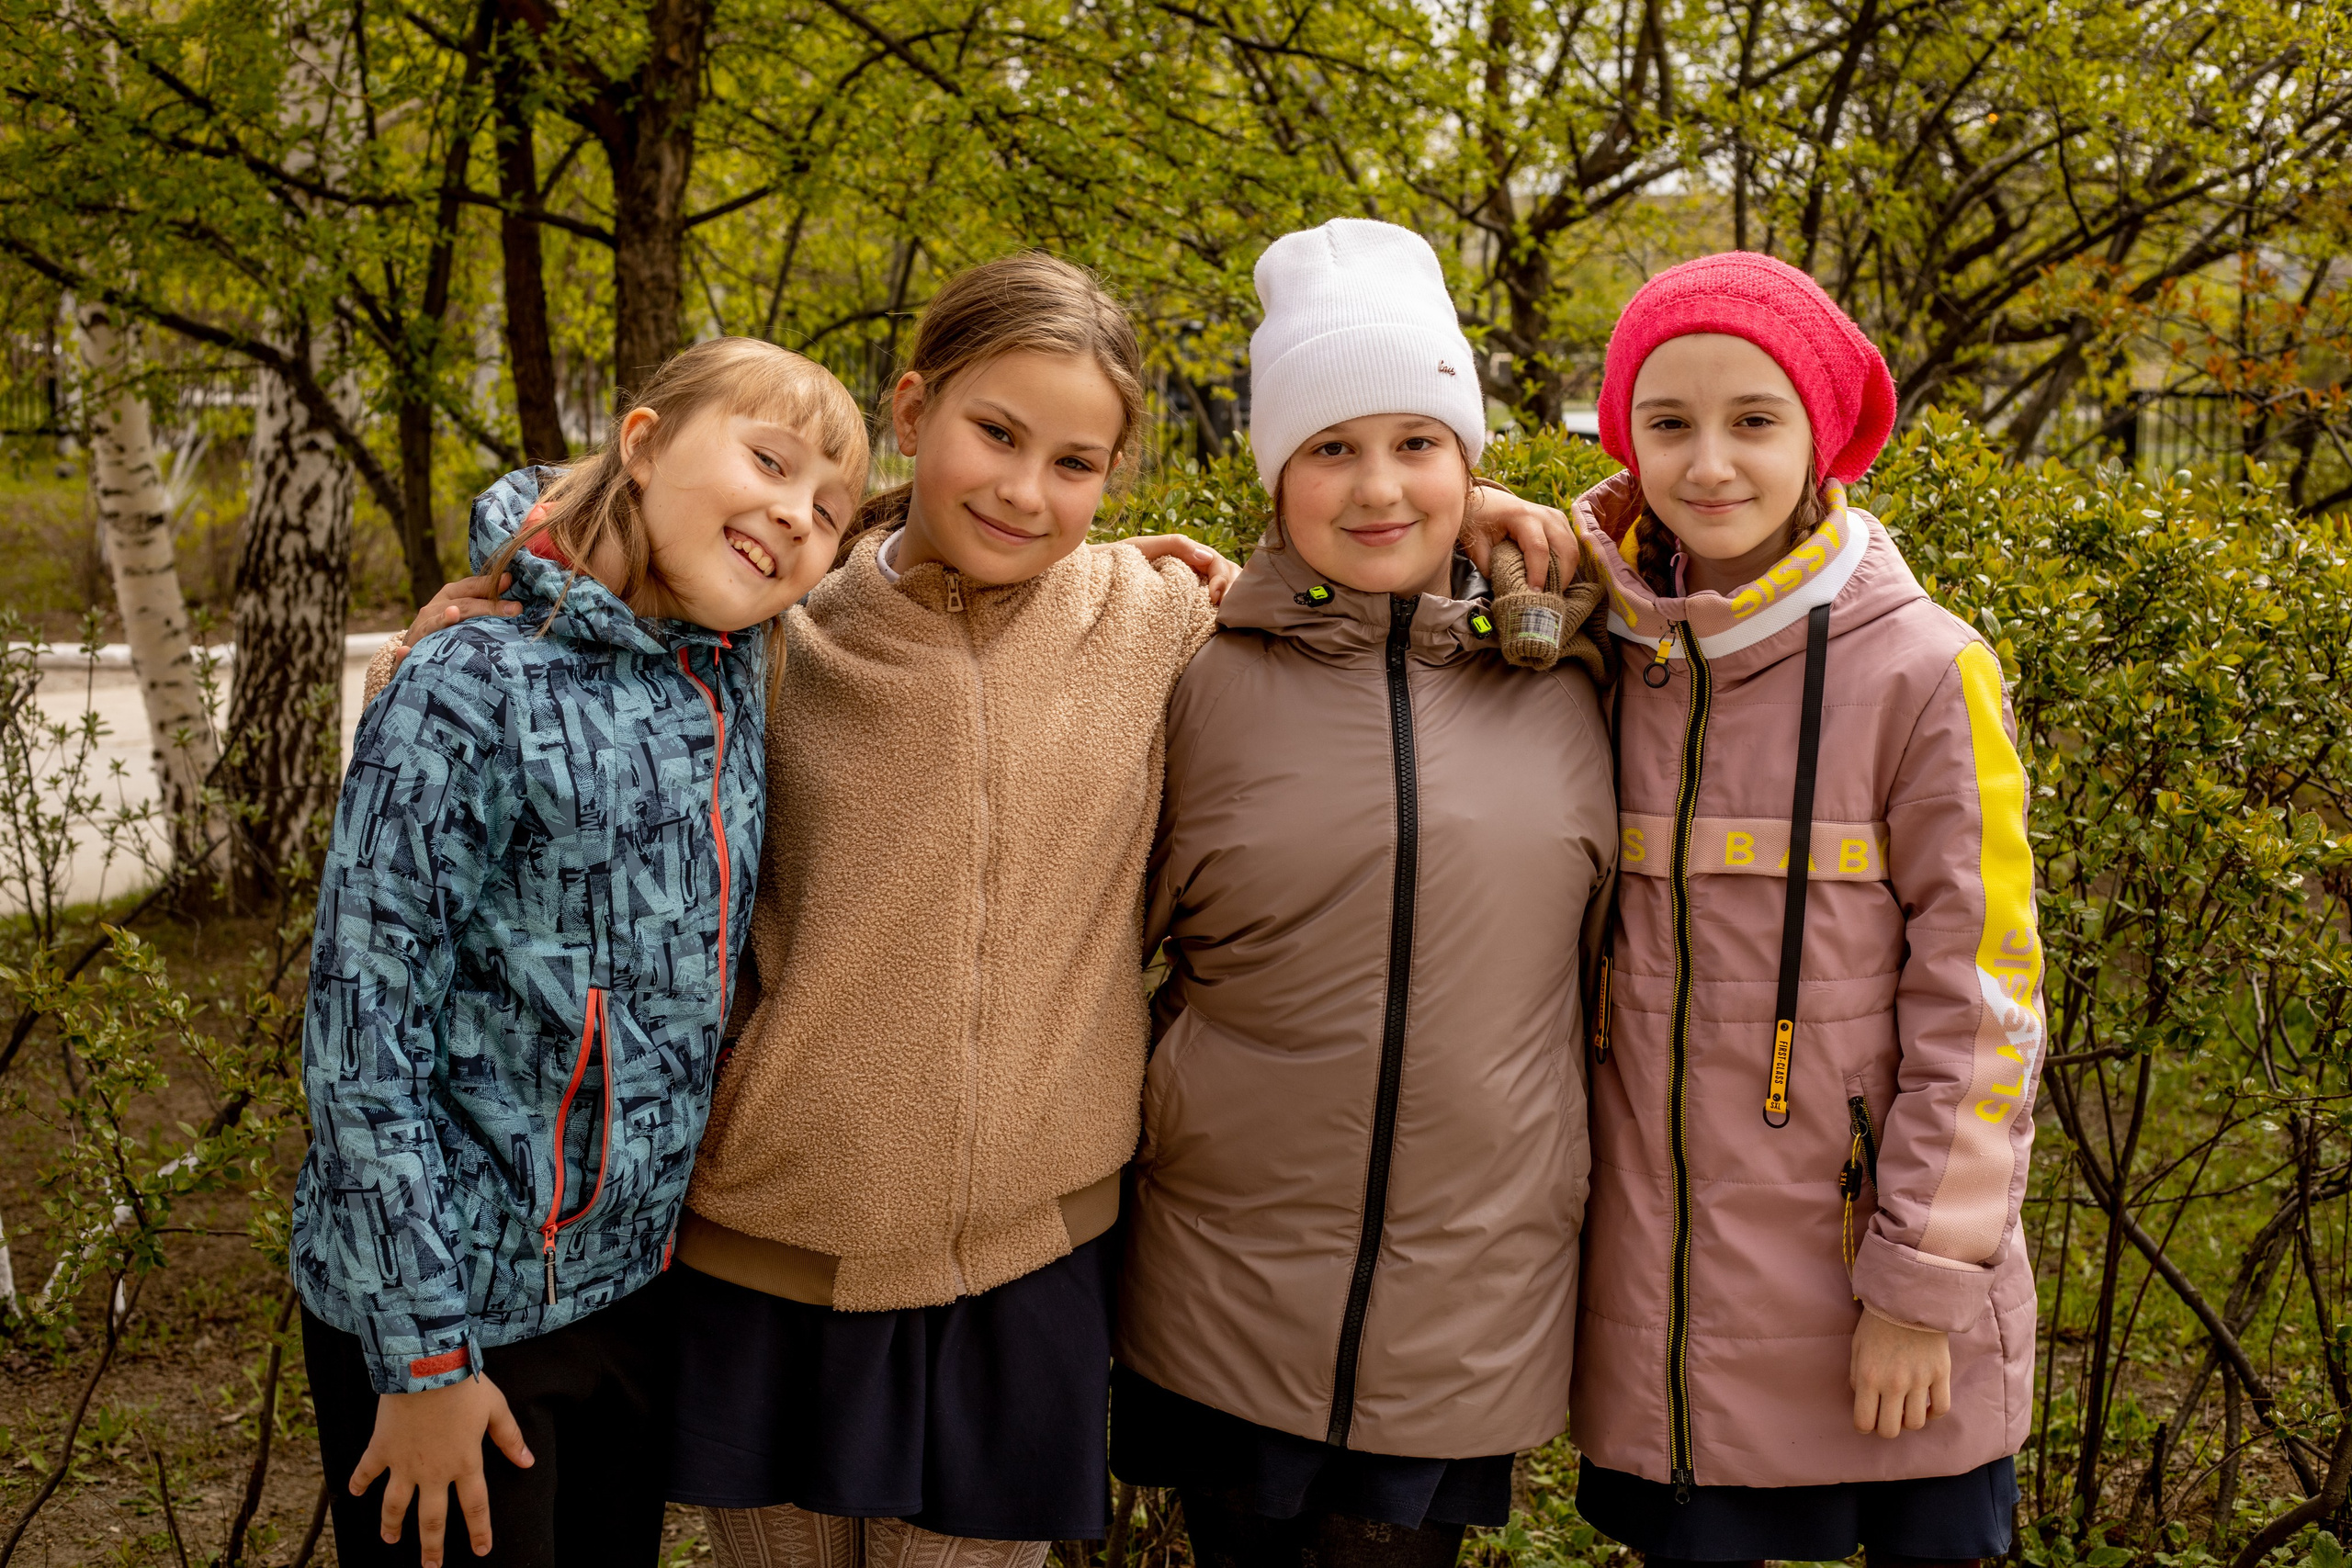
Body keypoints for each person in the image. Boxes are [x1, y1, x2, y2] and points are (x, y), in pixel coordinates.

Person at [660, 249, 1580, 1568]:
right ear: (913, 414)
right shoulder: (773, 636)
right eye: (995, 435)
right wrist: (501, 587)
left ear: (1115, 480)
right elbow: (629, 560)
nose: (1027, 491)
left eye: (1077, 464)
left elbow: (1339, 590)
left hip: (1026, 1265)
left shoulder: (1162, 627)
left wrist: (1467, 505)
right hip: (775, 1249)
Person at [292, 337, 866, 1568]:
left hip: (630, 1301)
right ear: (645, 443)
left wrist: (1104, 573)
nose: (791, 513)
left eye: (824, 511)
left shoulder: (731, 674)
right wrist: (426, 1357)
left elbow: (926, 561)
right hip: (453, 1322)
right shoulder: (472, 676)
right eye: (765, 460)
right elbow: (359, 1033)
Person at [1109, 218, 1618, 1568]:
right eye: (1331, 447)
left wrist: (1547, 539)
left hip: (1468, 1287)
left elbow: (1778, 575)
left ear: (1471, 463)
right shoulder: (1189, 669)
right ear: (1276, 477)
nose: (1378, 486)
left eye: (1417, 443)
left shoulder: (1585, 670)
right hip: (1226, 1278)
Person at [1566, 252, 2042, 1565]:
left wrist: (1920, 1291)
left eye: (1754, 420)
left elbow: (1986, 1005)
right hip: (1675, 1338)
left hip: (1877, 1309)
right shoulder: (1596, 651)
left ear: (1824, 438)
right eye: (1668, 423)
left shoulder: (1930, 672)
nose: (1709, 462)